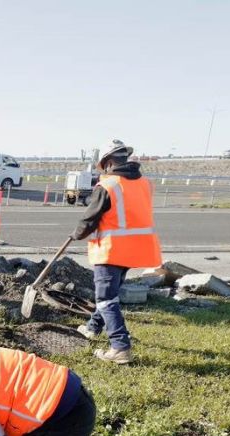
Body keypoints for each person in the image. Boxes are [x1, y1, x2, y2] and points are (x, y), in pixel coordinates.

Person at [72, 139, 162, 364]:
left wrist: (77, 233)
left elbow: (89, 218)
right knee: (109, 294)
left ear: (108, 162)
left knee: (105, 298)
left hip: (111, 251)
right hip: (134, 249)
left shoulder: (108, 186)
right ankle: (93, 328)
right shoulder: (144, 183)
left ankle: (120, 347)